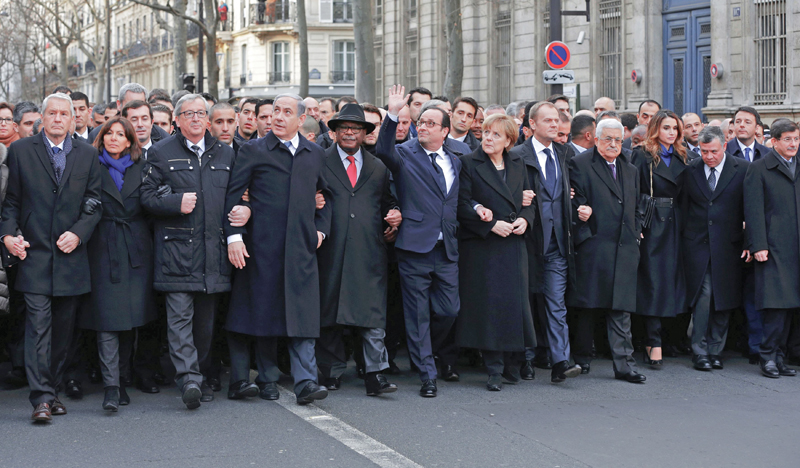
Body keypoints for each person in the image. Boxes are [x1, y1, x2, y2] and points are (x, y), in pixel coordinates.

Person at [223, 93, 332, 405]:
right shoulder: (254, 150)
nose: (278, 118)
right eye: (275, 112)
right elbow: (234, 196)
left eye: (286, 112)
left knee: (303, 317)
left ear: (300, 119)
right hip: (262, 248)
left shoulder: (313, 153)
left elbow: (326, 195)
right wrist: (235, 237)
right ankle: (268, 378)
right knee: (266, 313)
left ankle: (306, 383)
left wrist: (320, 231)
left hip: (302, 249)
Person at [1, 93, 104, 422]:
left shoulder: (88, 155)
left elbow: (95, 202)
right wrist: (7, 236)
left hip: (70, 256)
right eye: (53, 113)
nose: (59, 119)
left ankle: (53, 389)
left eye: (65, 114)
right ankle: (42, 398)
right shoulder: (20, 152)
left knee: (63, 332)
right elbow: (11, 204)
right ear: (41, 119)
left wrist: (79, 232)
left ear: (74, 120)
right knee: (38, 328)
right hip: (33, 255)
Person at [140, 94, 237, 409]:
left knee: (204, 325)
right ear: (177, 120)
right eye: (188, 114)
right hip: (176, 254)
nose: (195, 118)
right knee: (179, 320)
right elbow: (146, 197)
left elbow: (240, 196)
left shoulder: (226, 154)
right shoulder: (160, 152)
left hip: (213, 253)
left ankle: (201, 374)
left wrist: (244, 210)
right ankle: (189, 379)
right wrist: (174, 202)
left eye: (200, 113)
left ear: (207, 120)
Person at [376, 85, 462, 398]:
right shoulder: (404, 154)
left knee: (449, 311)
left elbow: (454, 202)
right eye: (419, 122)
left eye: (429, 124)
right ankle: (427, 373)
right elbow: (382, 151)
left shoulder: (456, 160)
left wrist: (479, 209)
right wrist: (392, 112)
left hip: (446, 249)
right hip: (414, 248)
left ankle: (427, 352)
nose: (422, 127)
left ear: (445, 131)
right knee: (417, 314)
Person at [314, 103, 401, 396]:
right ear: (335, 132)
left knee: (372, 315)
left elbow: (388, 201)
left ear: (365, 133)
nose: (350, 132)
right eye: (344, 128)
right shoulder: (320, 161)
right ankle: (331, 371)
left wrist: (395, 214)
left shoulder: (378, 166)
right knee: (329, 312)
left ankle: (375, 373)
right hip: (330, 249)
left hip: (369, 251)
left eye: (356, 128)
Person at [77, 117, 156, 411]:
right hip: (102, 248)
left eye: (119, 134)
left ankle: (123, 379)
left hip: (136, 249)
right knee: (107, 321)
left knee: (130, 321)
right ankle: (111, 386)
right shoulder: (90, 167)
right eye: (108, 133)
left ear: (129, 141)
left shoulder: (143, 168)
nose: (112, 138)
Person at [456, 114, 535, 391]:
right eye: (486, 132)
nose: (488, 138)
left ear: (509, 141)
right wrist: (489, 225)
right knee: (489, 307)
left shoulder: (518, 162)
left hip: (513, 245)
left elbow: (529, 199)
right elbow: (462, 204)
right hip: (484, 248)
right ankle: (493, 369)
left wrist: (525, 219)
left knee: (514, 307)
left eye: (495, 135)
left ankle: (513, 364)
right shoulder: (468, 163)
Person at [568, 118, 645, 383]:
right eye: (608, 139)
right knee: (588, 306)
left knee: (621, 309)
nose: (614, 144)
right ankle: (581, 358)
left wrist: (635, 232)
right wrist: (585, 229)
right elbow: (576, 201)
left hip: (624, 247)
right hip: (595, 246)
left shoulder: (630, 168)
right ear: (595, 139)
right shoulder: (579, 164)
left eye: (618, 139)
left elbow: (637, 204)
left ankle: (624, 366)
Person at [514, 101, 581, 382]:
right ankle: (525, 359)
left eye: (557, 120)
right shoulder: (517, 155)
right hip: (528, 240)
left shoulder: (566, 153)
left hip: (558, 243)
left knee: (556, 303)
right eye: (548, 120)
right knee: (525, 302)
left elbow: (577, 189)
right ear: (532, 125)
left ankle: (560, 361)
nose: (554, 125)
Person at [682, 126, 749, 371]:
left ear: (724, 146)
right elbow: (685, 207)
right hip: (697, 244)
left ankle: (716, 350)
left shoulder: (742, 168)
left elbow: (749, 207)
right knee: (704, 295)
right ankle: (699, 350)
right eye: (703, 151)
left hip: (728, 245)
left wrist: (749, 241)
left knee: (725, 297)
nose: (708, 156)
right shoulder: (691, 170)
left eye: (713, 151)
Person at [631, 110, 690, 368]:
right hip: (652, 221)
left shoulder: (682, 155)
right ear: (656, 128)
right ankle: (652, 341)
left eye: (675, 128)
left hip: (676, 222)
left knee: (672, 281)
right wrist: (636, 224)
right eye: (666, 127)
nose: (672, 133)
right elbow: (634, 191)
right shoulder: (643, 155)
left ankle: (668, 337)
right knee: (652, 281)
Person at [744, 119, 800, 378]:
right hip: (774, 248)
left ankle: (781, 357)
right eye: (787, 139)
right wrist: (758, 245)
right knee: (775, 305)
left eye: (796, 139)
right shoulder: (759, 169)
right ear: (774, 141)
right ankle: (767, 356)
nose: (793, 144)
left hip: (796, 247)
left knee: (791, 306)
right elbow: (753, 210)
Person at [725, 106, 771, 363]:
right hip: (730, 232)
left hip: (759, 233)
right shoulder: (723, 152)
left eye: (747, 122)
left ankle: (756, 345)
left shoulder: (767, 155)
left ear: (757, 128)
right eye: (738, 121)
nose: (741, 125)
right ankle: (733, 340)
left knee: (755, 290)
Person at [89, 84, 169, 144]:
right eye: (131, 104)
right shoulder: (98, 135)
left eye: (141, 103)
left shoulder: (163, 137)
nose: (137, 109)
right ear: (119, 105)